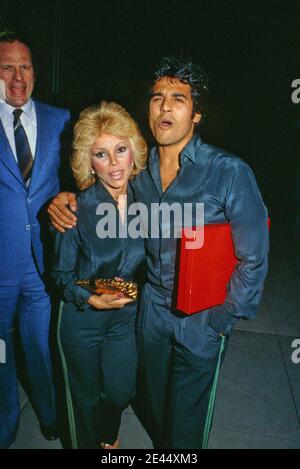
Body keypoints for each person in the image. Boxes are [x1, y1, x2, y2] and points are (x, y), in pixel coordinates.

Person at [48, 57, 269, 449]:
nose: (165, 106)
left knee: (185, 428)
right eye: (157, 97)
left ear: (197, 113)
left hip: (202, 319)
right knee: (153, 406)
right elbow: (98, 187)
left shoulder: (229, 172)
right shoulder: (140, 174)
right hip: (149, 314)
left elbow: (254, 257)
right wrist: (64, 199)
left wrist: (222, 319)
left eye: (179, 99)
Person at [51, 101, 147, 449]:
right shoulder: (76, 209)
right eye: (101, 154)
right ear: (88, 161)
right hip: (82, 320)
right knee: (84, 400)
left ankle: (108, 434)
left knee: (122, 390)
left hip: (125, 318)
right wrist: (90, 297)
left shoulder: (146, 201)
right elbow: (60, 275)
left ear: (133, 150)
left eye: (120, 150)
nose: (114, 163)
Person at [0, 32, 71, 448]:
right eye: (6, 67)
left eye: (24, 66)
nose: (17, 77)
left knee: (43, 348)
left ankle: (50, 414)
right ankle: (5, 427)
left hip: (44, 264)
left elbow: (81, 176)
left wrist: (71, 196)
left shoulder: (60, 119)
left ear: (35, 73)